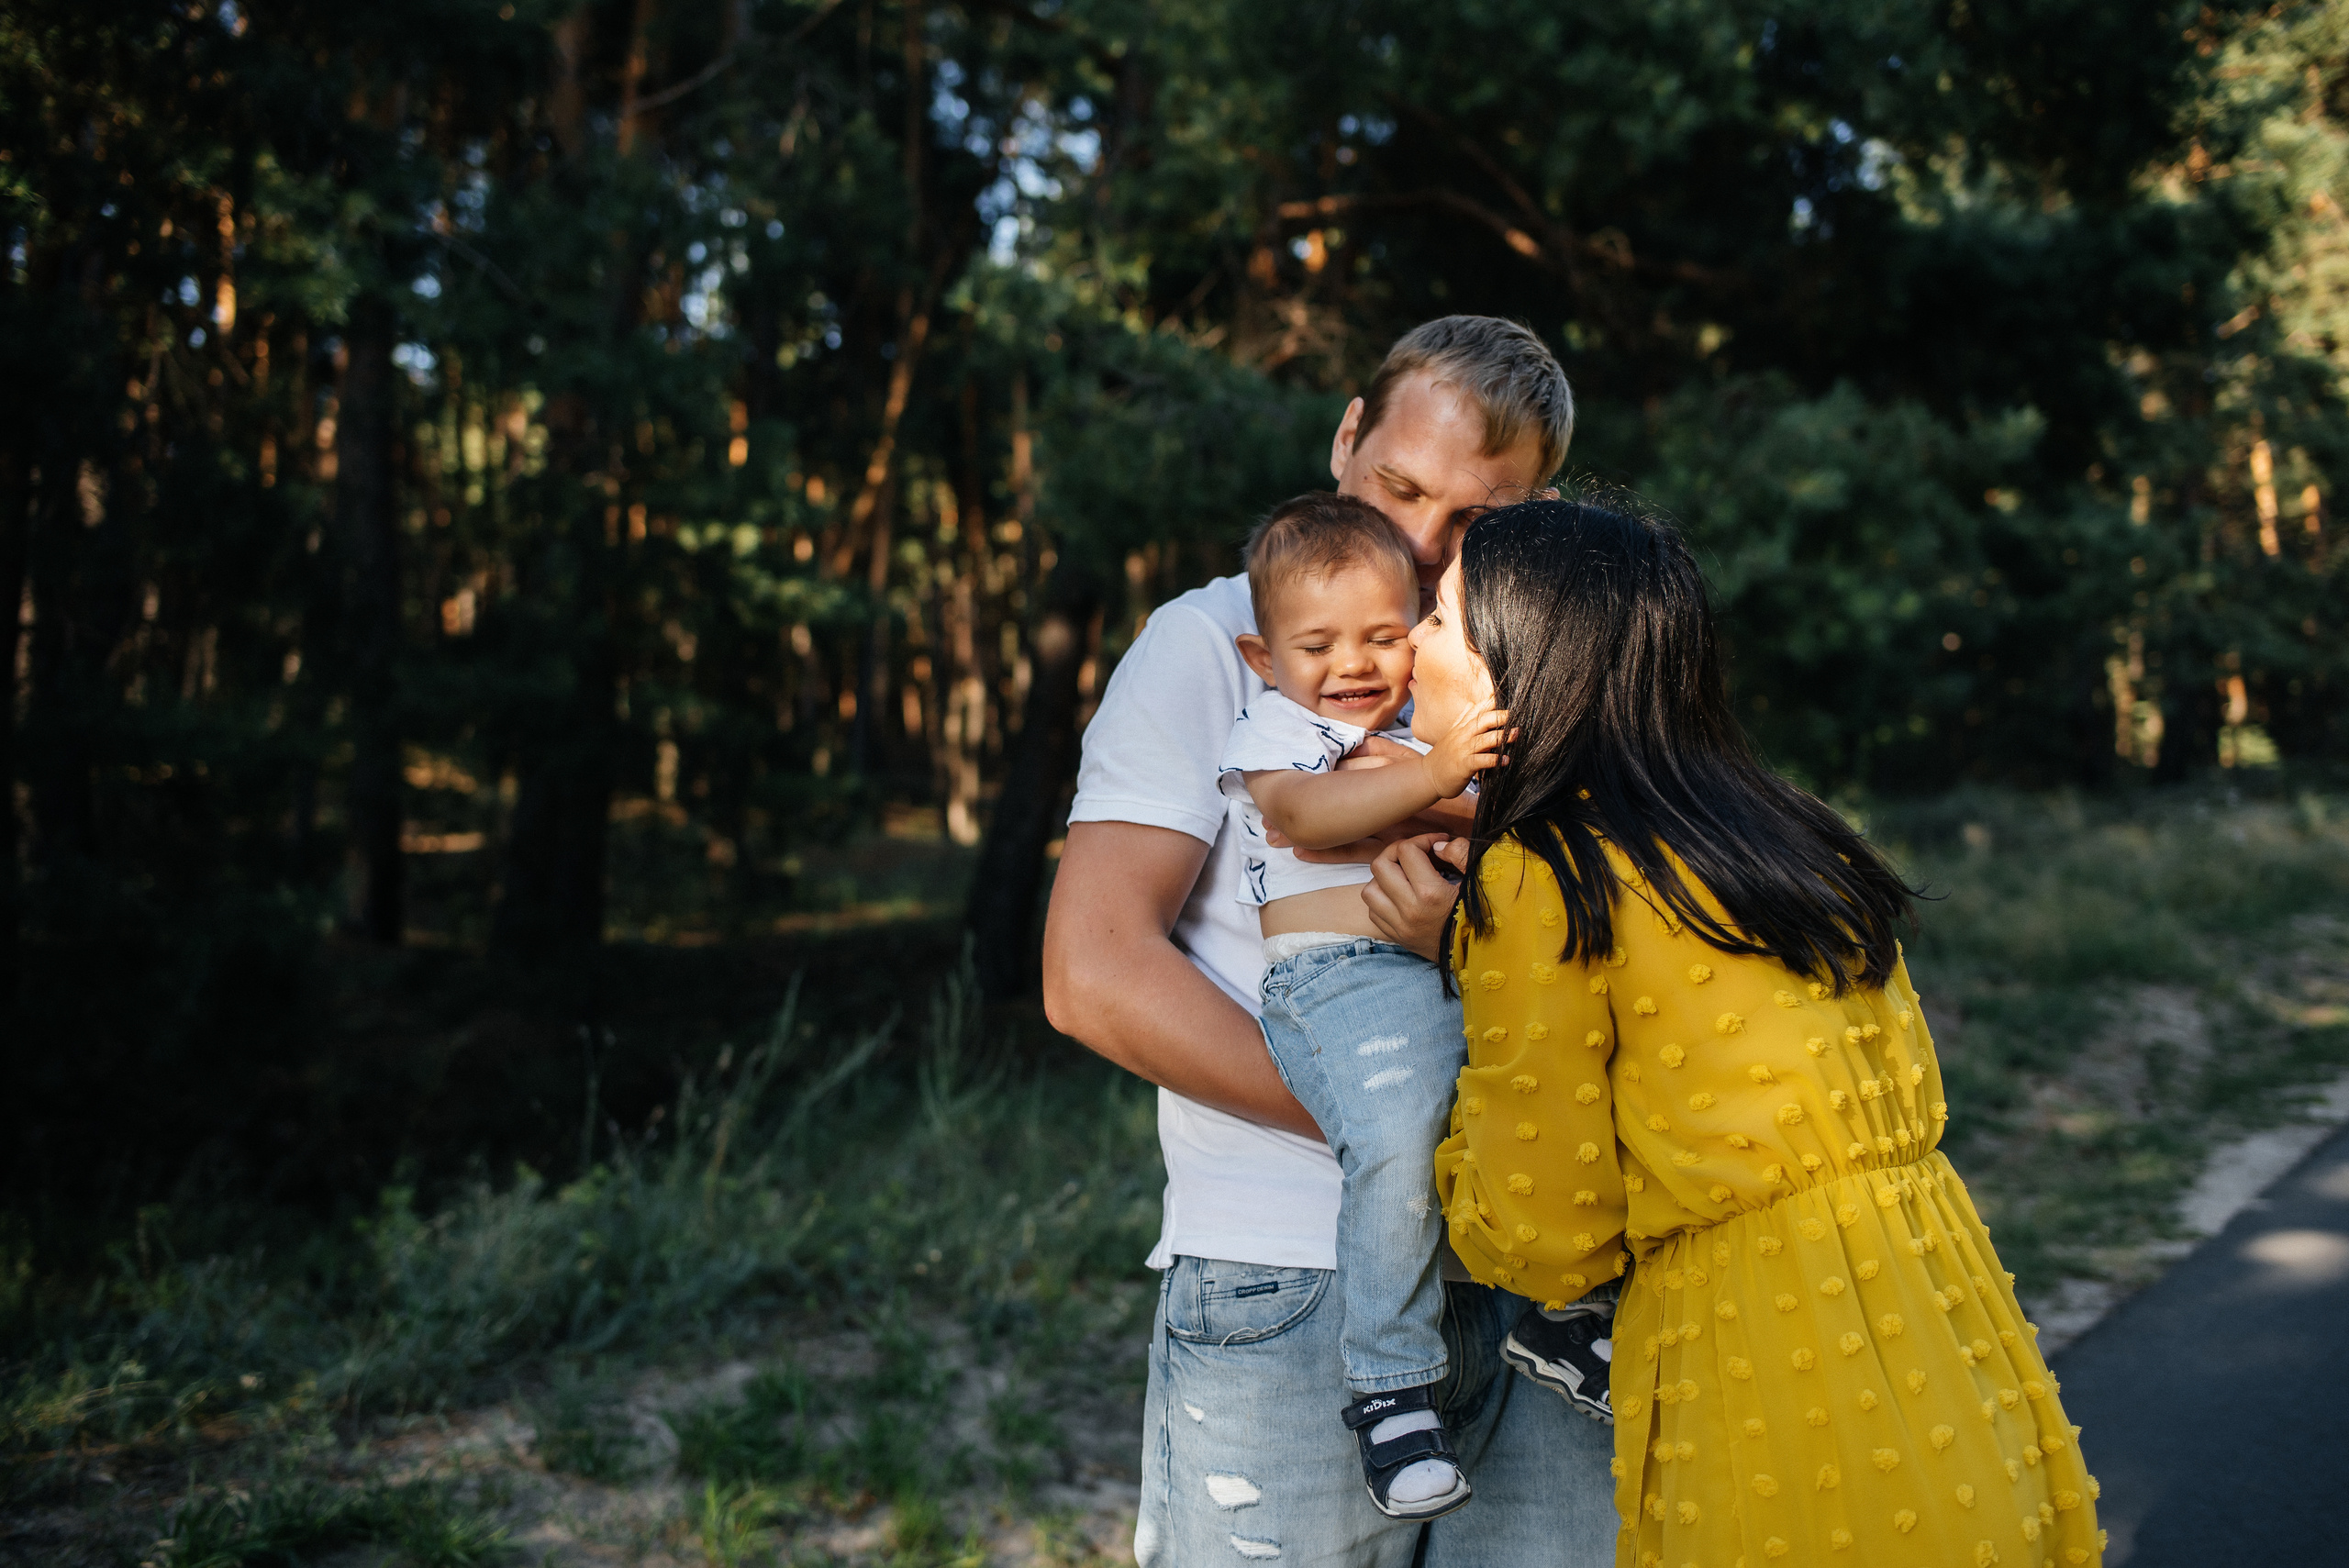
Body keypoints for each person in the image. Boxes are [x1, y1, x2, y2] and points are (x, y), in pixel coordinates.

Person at [1397, 495, 2106, 1567]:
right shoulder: (1790, 829)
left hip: (1763, 1353)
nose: (1409, 642)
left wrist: (1455, 980)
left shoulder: (1543, 871)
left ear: (1511, 670)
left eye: (1441, 619)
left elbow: (1543, 1234)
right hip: (1944, 1317)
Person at [1043, 317, 1619, 1567]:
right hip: (1295, 1274)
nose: (1418, 544)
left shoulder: (1547, 673)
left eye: (1474, 517)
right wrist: (1410, 1137)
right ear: (1346, 434)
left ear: (1541, 512)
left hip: (1549, 1281)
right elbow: (1093, 976)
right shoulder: (1215, 645)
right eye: (1399, 485)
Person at [1217, 492, 1511, 1519]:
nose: (1353, 663)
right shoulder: (1284, 729)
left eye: (1386, 635)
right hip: (1336, 976)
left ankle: (1563, 1309)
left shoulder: (1410, 724)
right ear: (1264, 658)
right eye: (1318, 643)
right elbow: (1303, 814)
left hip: (1440, 964)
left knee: (1542, 1097)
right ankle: (1389, 1387)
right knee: (1395, 1128)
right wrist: (1438, 776)